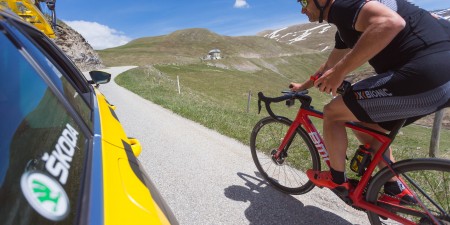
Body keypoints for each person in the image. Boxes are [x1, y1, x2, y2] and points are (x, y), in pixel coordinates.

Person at [290, 0, 450, 202]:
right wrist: (302, 86)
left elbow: (390, 23)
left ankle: (337, 179)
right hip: (441, 81)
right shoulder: (348, 23)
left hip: (425, 75)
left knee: (332, 112)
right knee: (365, 123)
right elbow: (329, 65)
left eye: (304, 1)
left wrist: (340, 73)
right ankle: (394, 189)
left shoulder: (345, 5)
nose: (302, 9)